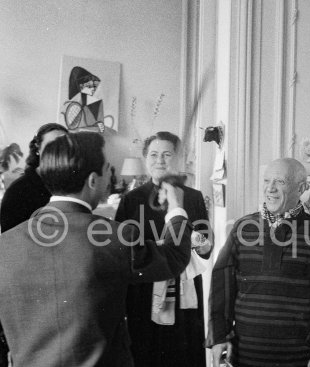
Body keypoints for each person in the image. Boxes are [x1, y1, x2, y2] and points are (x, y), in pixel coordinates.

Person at [0, 131, 193, 367]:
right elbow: (173, 257)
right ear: (93, 180)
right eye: (107, 170)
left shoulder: (5, 244)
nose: (110, 177)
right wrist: (176, 209)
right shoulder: (114, 236)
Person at [206, 158, 310, 367]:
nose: (270, 188)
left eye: (280, 182)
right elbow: (221, 288)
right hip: (247, 355)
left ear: (302, 188)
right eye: (267, 180)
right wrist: (219, 337)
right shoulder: (243, 228)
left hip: (301, 358)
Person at [115, 131, 212, 367]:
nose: (160, 160)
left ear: (178, 159)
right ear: (146, 158)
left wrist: (197, 240)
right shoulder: (131, 199)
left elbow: (206, 248)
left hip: (183, 288)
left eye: (167, 154)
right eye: (154, 154)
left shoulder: (193, 197)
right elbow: (119, 250)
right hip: (144, 290)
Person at [0, 123, 68, 233]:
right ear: (38, 150)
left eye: (65, 146)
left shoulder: (73, 185)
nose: (59, 151)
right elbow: (10, 241)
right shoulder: (18, 191)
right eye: (51, 146)